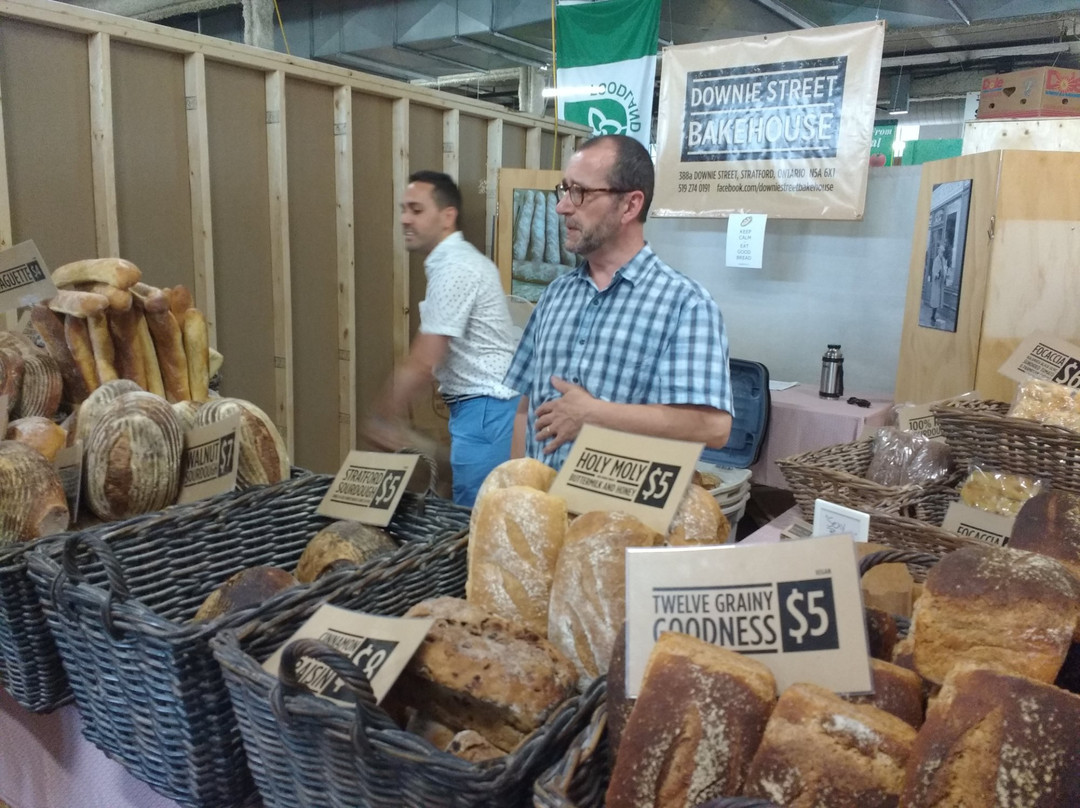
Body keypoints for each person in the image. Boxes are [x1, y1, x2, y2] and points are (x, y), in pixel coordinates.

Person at [503, 134, 733, 470]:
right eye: (564, 189)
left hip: (622, 504)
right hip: (543, 499)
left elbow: (713, 428)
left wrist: (595, 414)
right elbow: (527, 408)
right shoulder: (555, 295)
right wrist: (518, 486)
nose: (562, 206)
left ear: (630, 205)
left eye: (580, 192)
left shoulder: (685, 306)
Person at [366, 170, 520, 507]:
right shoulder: (453, 264)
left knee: (474, 520)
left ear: (447, 216)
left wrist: (382, 416)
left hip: (486, 411)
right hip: (482, 411)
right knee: (468, 510)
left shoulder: (456, 268)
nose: (405, 219)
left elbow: (425, 359)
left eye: (417, 210)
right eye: (403, 209)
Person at [928, 241, 946, 326]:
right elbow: (934, 270)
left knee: (937, 300)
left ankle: (934, 315)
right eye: (941, 251)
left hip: (940, 283)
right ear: (939, 251)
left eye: (943, 252)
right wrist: (937, 275)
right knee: (935, 299)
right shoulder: (936, 260)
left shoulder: (943, 260)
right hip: (936, 283)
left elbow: (944, 269)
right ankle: (933, 316)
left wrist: (944, 275)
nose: (942, 253)